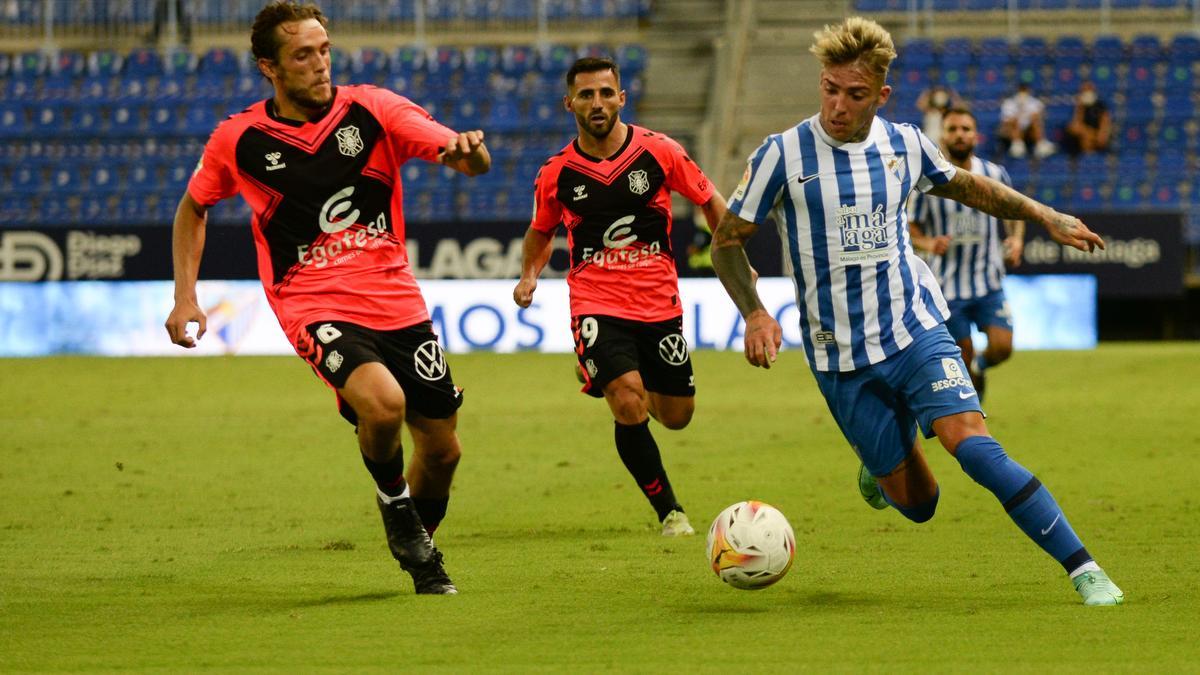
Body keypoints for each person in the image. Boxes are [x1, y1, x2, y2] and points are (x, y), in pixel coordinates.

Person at [710, 17, 1123, 606]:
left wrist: (1044, 215)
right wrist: (753, 312)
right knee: (922, 506)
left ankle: (1084, 569)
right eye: (830, 89)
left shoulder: (903, 143)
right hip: (840, 358)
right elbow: (727, 241)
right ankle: (886, 463)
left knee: (975, 448)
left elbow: (970, 187)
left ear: (880, 95)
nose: (837, 106)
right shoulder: (781, 156)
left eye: (854, 95)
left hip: (917, 331)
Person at [164, 2, 491, 595]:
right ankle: (397, 510)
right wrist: (186, 297)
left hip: (398, 301)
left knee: (443, 452)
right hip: (311, 301)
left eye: (324, 50)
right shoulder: (239, 139)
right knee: (383, 404)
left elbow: (463, 155)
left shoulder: (373, 108)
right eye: (302, 55)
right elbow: (194, 207)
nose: (319, 65)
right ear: (270, 67)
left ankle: (420, 545)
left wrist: (468, 153)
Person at [513, 57, 727, 536]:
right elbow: (540, 231)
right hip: (595, 300)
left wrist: (730, 252)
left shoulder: (659, 151)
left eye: (606, 93)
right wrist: (529, 275)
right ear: (569, 103)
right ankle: (670, 511)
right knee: (627, 400)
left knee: (676, 416)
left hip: (658, 301)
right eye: (586, 95)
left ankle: (605, 371)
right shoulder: (556, 173)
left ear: (621, 98)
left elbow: (711, 200)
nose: (597, 103)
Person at [909, 107, 1024, 400]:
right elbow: (910, 228)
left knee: (1002, 347)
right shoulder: (928, 182)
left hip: (989, 282)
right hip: (948, 287)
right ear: (943, 136)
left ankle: (980, 366)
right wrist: (929, 244)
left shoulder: (994, 174)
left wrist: (1016, 240)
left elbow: (1015, 211)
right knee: (962, 357)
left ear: (975, 135)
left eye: (965, 129)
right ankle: (973, 414)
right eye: (953, 129)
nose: (959, 134)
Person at [998, 83, 1055, 159]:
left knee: (1035, 121)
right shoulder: (1009, 103)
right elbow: (1005, 121)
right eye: (1021, 90)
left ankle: (1040, 145)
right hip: (1012, 130)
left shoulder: (1035, 102)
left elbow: (1041, 117)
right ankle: (1017, 144)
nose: (1023, 93)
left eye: (1025, 91)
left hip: (1030, 130)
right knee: (1014, 121)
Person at [1062, 81, 1111, 157]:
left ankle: (1089, 158)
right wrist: (1080, 107)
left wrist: (1101, 134)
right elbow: (1076, 124)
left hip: (1097, 134)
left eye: (1089, 89)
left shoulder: (1100, 105)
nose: (1087, 92)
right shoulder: (1078, 106)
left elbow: (1105, 122)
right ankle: (1088, 157)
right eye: (1084, 90)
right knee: (1081, 132)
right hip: (1081, 137)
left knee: (1091, 135)